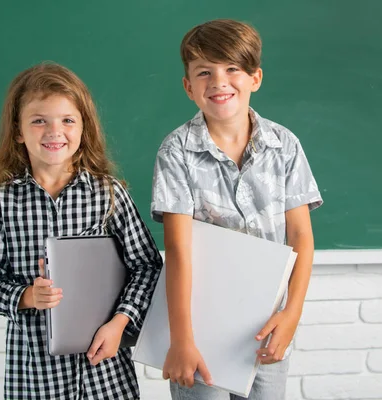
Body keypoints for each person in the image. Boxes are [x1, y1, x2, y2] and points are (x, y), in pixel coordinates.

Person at [151, 19, 323, 399]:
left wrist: (291, 314)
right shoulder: (176, 151)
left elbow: (300, 237)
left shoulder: (285, 146)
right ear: (188, 86)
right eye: (204, 72)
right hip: (200, 328)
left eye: (232, 69)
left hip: (267, 325)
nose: (219, 82)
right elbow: (178, 251)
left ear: (255, 78)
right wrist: (181, 340)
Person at [0, 62, 163, 399]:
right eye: (38, 121)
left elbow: (147, 266)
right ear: (18, 131)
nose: (54, 132)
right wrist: (26, 296)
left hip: (105, 372)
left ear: (83, 128)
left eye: (67, 120)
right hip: (35, 374)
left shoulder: (108, 194)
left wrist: (120, 322)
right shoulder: (3, 202)